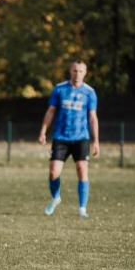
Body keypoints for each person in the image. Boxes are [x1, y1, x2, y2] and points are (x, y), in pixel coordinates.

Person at [38, 60, 100, 218]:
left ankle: (82, 209)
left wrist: (96, 141)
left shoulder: (89, 92)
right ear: (69, 71)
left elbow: (93, 118)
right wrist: (43, 131)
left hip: (81, 138)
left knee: (82, 170)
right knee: (53, 173)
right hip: (61, 137)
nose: (77, 74)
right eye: (74, 70)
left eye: (80, 71)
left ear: (85, 73)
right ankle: (56, 198)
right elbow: (50, 111)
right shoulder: (59, 89)